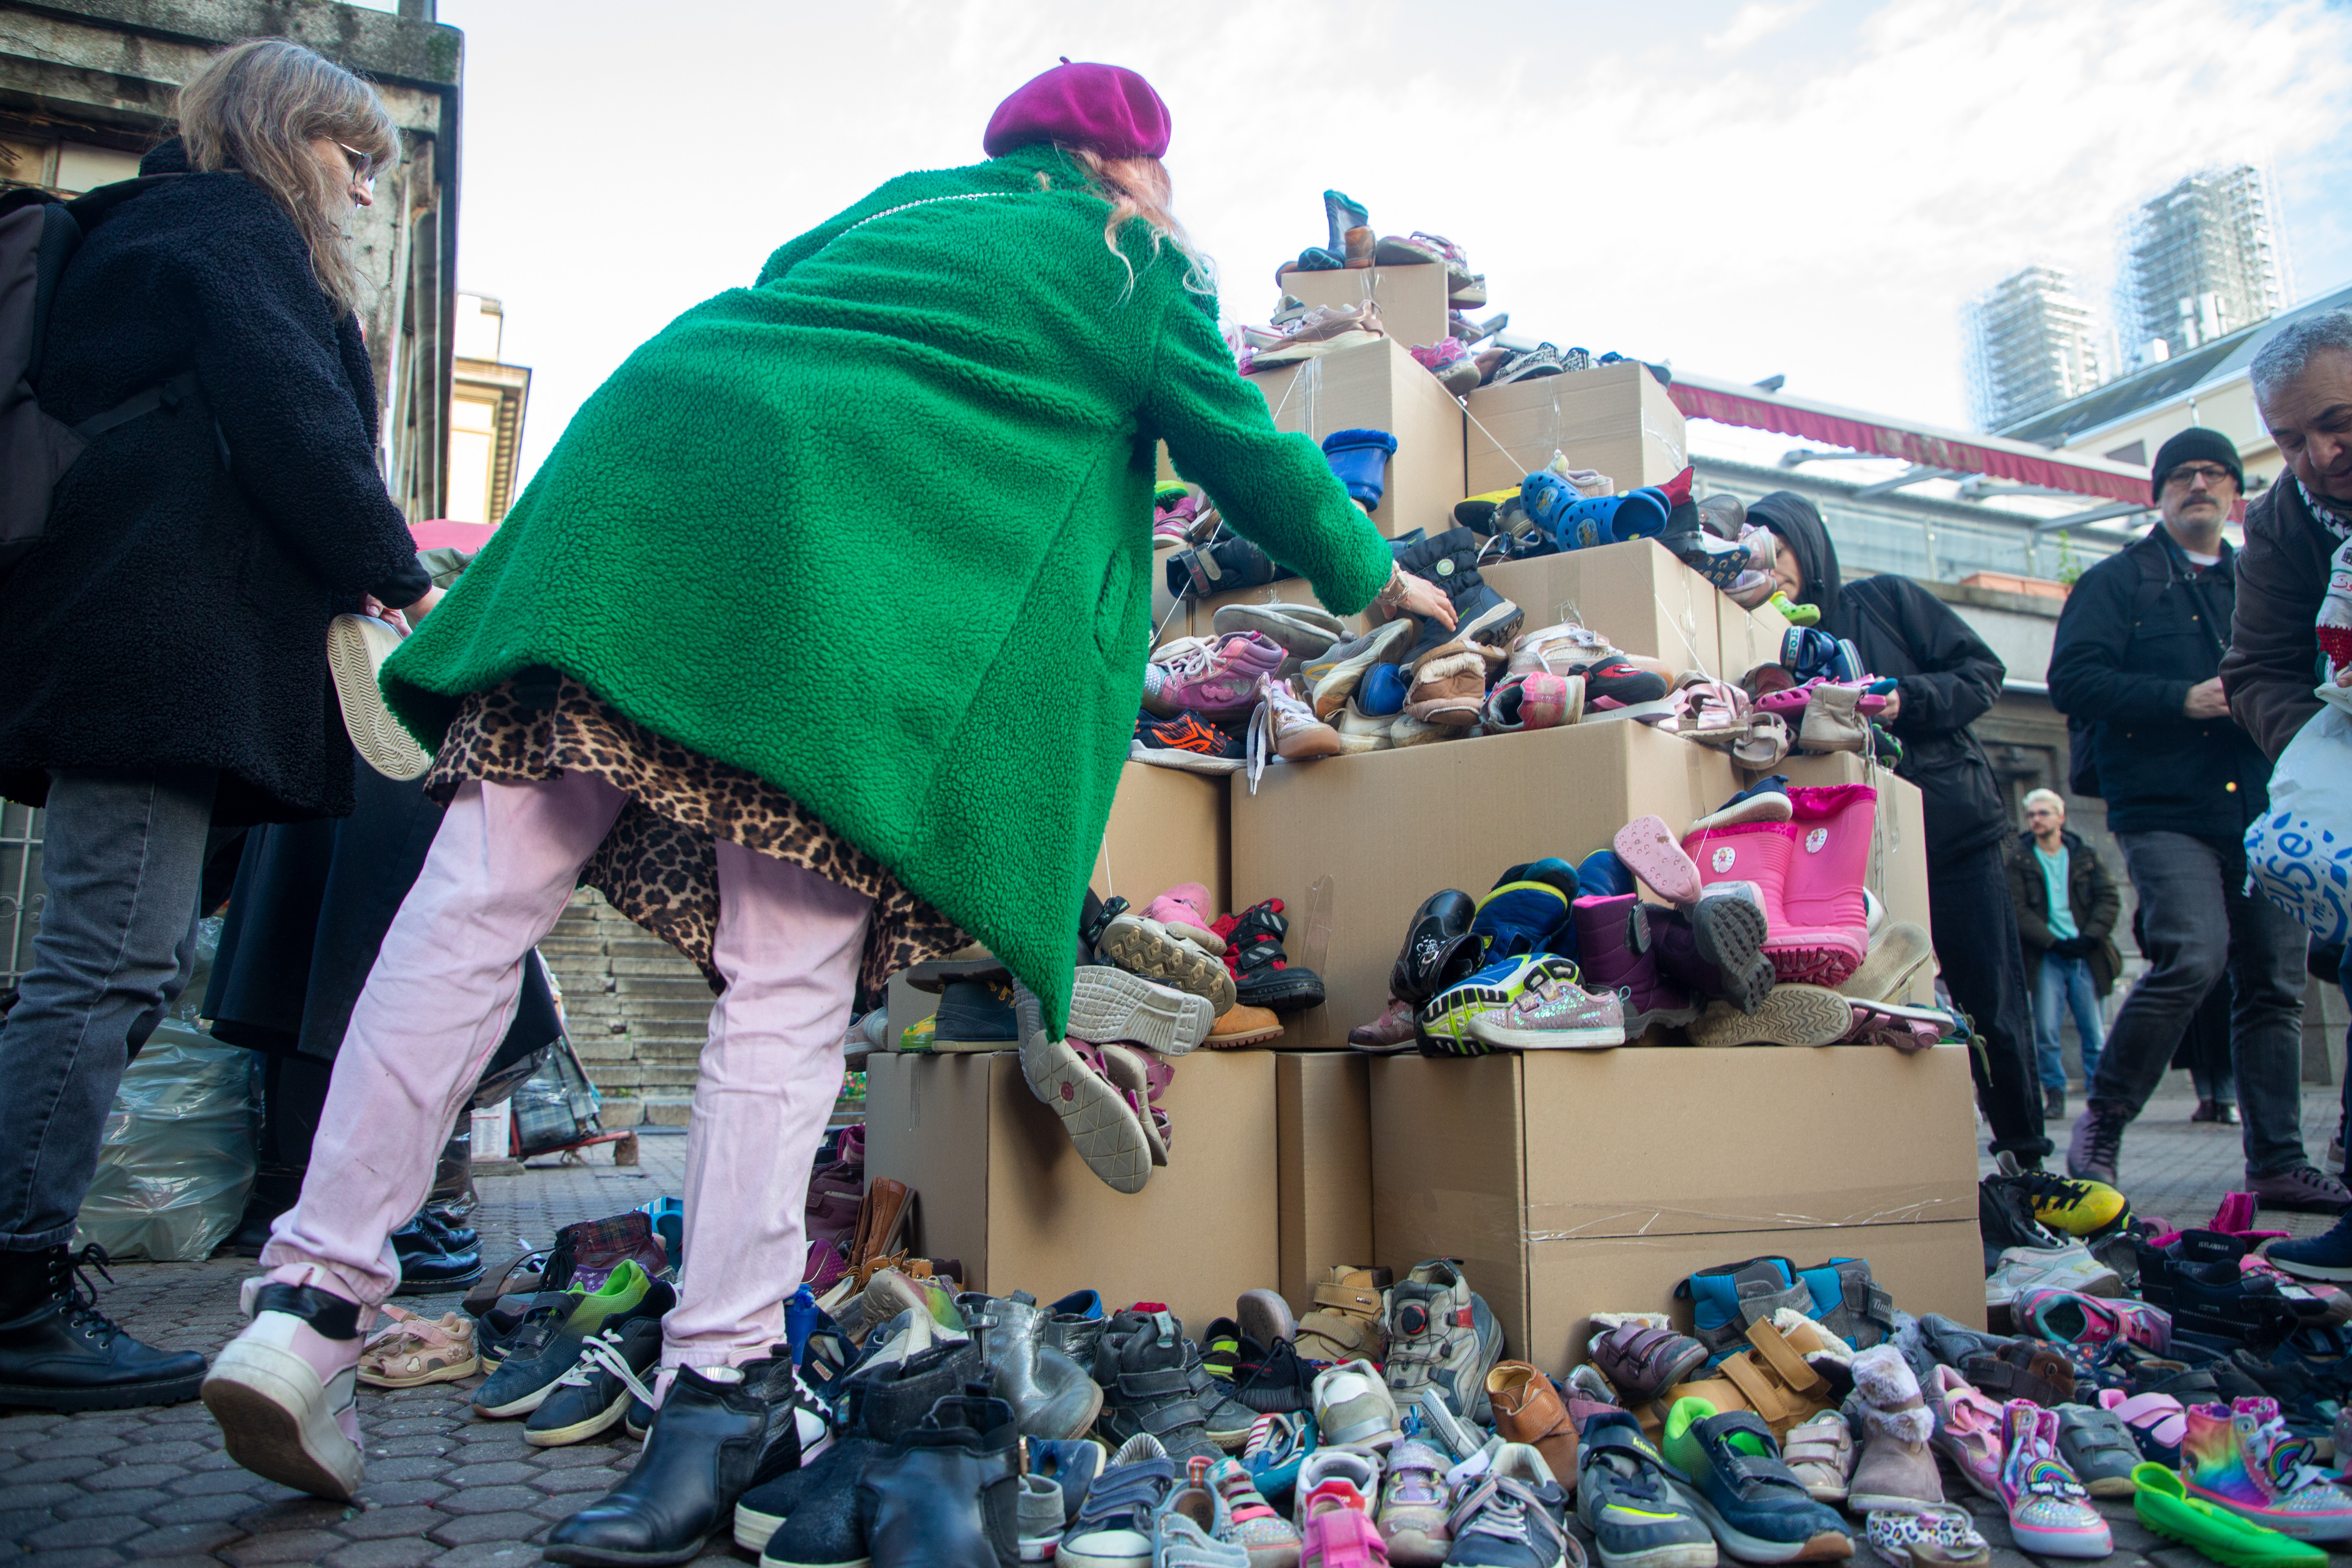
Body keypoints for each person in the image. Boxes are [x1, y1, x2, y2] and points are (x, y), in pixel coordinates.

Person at [199, 60, 1457, 1552]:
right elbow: (1244, 451)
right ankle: (717, 1386)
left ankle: (306, 1301)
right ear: (1133, 167)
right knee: (783, 973)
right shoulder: (1129, 258)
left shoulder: (896, 211)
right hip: (823, 570)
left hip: (644, 484)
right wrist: (1381, 577)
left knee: (473, 903)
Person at [0, 39, 428, 1410]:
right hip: (148, 663)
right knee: (105, 966)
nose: (365, 191)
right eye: (353, 158)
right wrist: (402, 571)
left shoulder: (157, 230)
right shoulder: (226, 225)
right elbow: (296, 421)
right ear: (283, 136)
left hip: (136, 657)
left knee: (106, 962)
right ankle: (9, 1294)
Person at [2047, 425, 2341, 1207]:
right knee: (2192, 956)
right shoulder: (2118, 582)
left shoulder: (2263, 577)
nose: (2200, 485)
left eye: (2216, 473)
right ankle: (2103, 1121)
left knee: (2275, 984)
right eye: (2183, 475)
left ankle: (2278, 1159)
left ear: (2237, 494)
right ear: (2159, 493)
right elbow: (2073, 679)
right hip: (2163, 805)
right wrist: (2179, 698)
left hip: (2265, 806)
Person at [1749, 492, 2048, 1163]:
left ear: (1808, 542)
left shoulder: (1885, 600)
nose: (1768, 561)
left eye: (1779, 544)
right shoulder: (1750, 633)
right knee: (1874, 1006)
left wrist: (1905, 700)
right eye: (1749, 546)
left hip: (1948, 829)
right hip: (1834, 860)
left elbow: (1983, 672)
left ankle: (2025, 1154)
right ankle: (1902, 1160)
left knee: (1990, 1000)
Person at [2226, 310, 2352, 1276]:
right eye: (2287, 439)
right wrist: (2323, 730)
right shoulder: (2277, 524)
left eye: (2336, 421)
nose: (2317, 453)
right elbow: (2256, 670)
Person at [2003, 788, 2120, 1121]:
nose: (2036, 820)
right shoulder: (2020, 856)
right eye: (2032, 815)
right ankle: (2055, 1096)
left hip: (2085, 954)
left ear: (2061, 816)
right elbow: (2017, 907)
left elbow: (2109, 898)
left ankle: (2102, 1099)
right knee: (2047, 1033)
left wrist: (2091, 937)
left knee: (2094, 1033)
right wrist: (2053, 941)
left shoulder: (2085, 855)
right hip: (2047, 956)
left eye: (2043, 813)